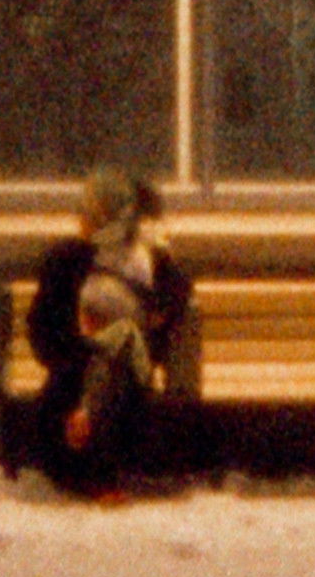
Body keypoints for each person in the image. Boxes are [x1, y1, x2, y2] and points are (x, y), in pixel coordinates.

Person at [25, 164, 193, 496]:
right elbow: (44, 336)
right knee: (109, 367)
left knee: (114, 365)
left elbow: (43, 338)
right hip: (87, 398)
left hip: (106, 398)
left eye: (87, 212)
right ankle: (93, 469)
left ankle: (95, 469)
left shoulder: (148, 265)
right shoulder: (70, 261)